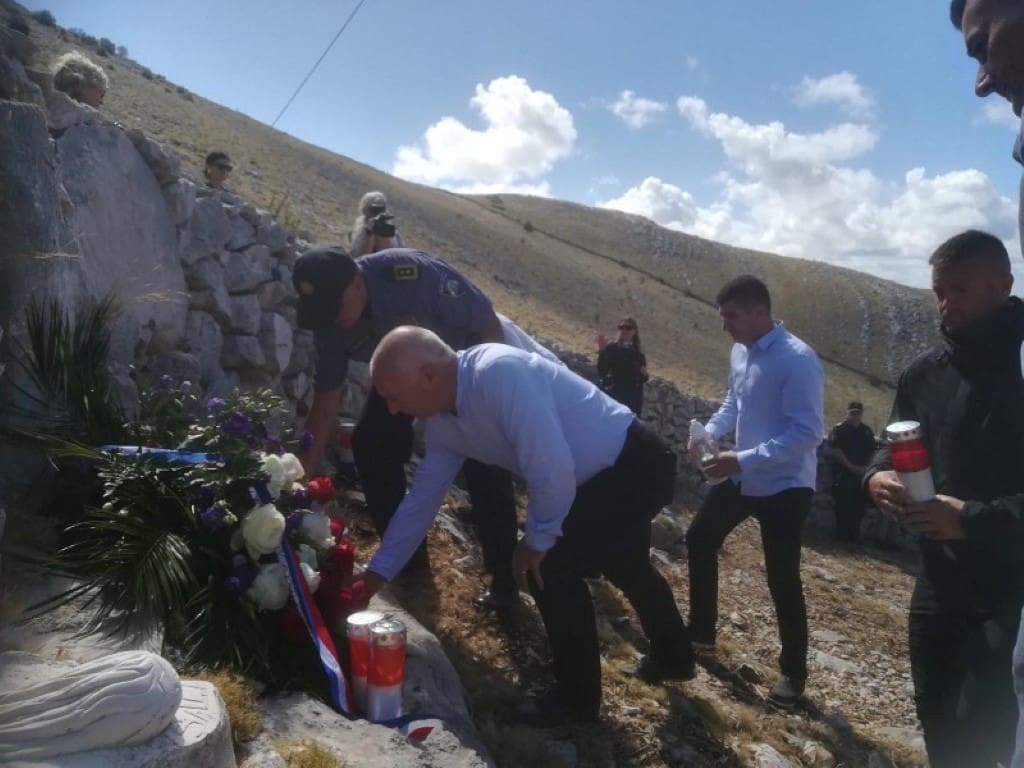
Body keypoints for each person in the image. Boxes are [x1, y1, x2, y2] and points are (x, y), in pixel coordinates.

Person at [348, 326, 694, 724]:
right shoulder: (445, 424)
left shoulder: (498, 373)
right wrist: (376, 575)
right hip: (599, 475)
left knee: (549, 565)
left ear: (428, 376)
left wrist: (535, 541)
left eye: (394, 395)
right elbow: (421, 502)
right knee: (625, 564)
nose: (392, 409)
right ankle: (674, 658)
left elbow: (552, 468)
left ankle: (575, 703)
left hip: (636, 464)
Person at [294, 245, 545, 609]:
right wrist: (297, 483)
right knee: (372, 442)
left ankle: (506, 582)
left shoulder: (411, 277)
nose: (332, 318)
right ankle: (405, 564)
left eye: (335, 306)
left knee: (483, 464)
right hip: (405, 377)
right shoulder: (331, 320)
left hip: (467, 362)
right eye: (324, 311)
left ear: (356, 284)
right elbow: (324, 408)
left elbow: (485, 323)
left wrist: (482, 401)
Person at [866, 230, 1024, 767]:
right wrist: (877, 479)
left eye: (959, 290)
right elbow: (888, 444)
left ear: (1003, 286)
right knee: (935, 709)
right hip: (939, 577)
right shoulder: (925, 373)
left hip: (1012, 588)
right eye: (939, 290)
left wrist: (971, 519)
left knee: (990, 726)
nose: (945, 304)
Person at [685, 275, 824, 710]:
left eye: (731, 317)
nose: (724, 326)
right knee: (699, 538)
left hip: (785, 485)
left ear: (758, 312)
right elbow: (734, 402)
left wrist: (741, 459)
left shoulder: (797, 359)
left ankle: (793, 675)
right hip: (744, 477)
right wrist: (708, 432)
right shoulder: (740, 352)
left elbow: (807, 433)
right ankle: (701, 635)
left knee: (782, 577)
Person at [826, 402, 875, 543]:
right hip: (844, 473)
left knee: (859, 506)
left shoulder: (866, 431)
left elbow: (873, 450)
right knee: (843, 504)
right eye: (853, 413)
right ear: (847, 413)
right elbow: (835, 450)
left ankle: (854, 537)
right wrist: (851, 467)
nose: (856, 416)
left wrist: (867, 468)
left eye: (858, 413)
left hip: (862, 474)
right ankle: (841, 536)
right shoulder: (839, 429)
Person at [596, 317, 649, 416]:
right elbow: (602, 371)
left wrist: (644, 375)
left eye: (628, 328)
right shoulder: (612, 348)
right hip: (613, 396)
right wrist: (602, 351)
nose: (624, 330)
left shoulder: (638, 354)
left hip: (631, 401)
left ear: (634, 331)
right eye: (621, 327)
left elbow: (640, 379)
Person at [349, 190, 405, 258]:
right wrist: (369, 232)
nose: (377, 212)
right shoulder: (359, 227)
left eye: (380, 209)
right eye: (373, 209)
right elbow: (360, 256)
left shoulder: (391, 231)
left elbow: (394, 255)